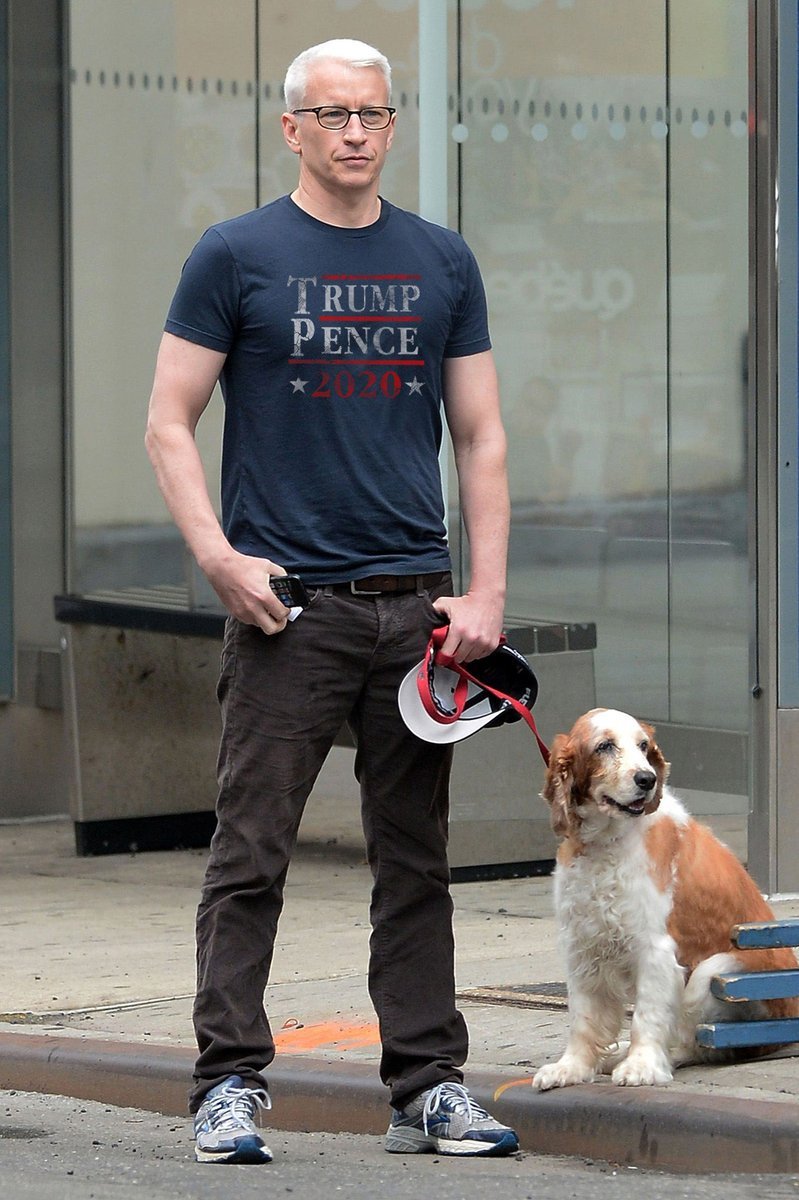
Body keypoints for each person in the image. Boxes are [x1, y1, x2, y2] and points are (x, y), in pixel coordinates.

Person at [145, 37, 515, 1164]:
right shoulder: (236, 254)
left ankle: (427, 1087)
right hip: (286, 612)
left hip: (416, 613)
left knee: (415, 861)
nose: (354, 131)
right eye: (332, 113)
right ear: (292, 128)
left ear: (392, 127)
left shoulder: (440, 261)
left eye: (372, 113)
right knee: (250, 851)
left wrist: (484, 591)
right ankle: (228, 1084)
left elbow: (481, 435)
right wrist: (218, 556)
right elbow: (169, 420)